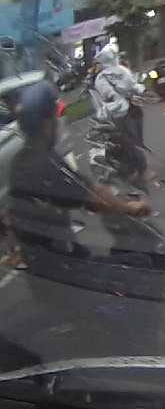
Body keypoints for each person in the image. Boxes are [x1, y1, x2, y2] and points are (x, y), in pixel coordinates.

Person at [5, 81, 150, 277]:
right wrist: (130, 207)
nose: (58, 122)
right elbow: (93, 198)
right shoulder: (45, 163)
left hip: (45, 261)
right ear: (47, 123)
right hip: (65, 266)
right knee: (140, 264)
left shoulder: (22, 159)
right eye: (55, 117)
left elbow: (79, 189)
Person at [91, 45, 153, 182]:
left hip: (119, 113)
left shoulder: (102, 78)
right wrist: (141, 90)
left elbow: (107, 95)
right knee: (134, 140)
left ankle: (135, 167)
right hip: (130, 110)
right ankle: (141, 168)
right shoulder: (121, 71)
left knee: (129, 140)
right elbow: (132, 86)